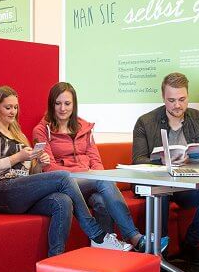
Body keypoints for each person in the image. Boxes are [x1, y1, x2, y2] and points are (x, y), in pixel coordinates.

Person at [0, 85, 131, 257]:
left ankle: (55, 259)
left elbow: (31, 176)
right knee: (64, 177)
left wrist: (40, 165)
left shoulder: (19, 135)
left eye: (15, 107)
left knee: (63, 201)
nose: (13, 112)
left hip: (21, 193)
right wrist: (17, 157)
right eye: (8, 107)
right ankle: (97, 234)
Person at [33, 82, 153, 252]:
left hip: (87, 182)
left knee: (101, 200)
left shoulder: (84, 128)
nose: (62, 108)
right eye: (57, 103)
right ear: (51, 104)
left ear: (74, 104)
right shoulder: (41, 130)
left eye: (67, 103)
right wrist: (88, 174)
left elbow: (95, 159)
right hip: (64, 183)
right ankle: (134, 236)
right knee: (102, 180)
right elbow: (50, 169)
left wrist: (94, 174)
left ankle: (105, 251)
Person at [131, 72, 199, 260]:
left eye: (182, 99)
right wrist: (163, 161)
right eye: (171, 100)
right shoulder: (145, 122)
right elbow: (138, 160)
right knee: (160, 191)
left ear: (188, 96)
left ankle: (191, 244)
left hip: (186, 186)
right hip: (157, 183)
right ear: (163, 97)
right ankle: (160, 253)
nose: (177, 105)